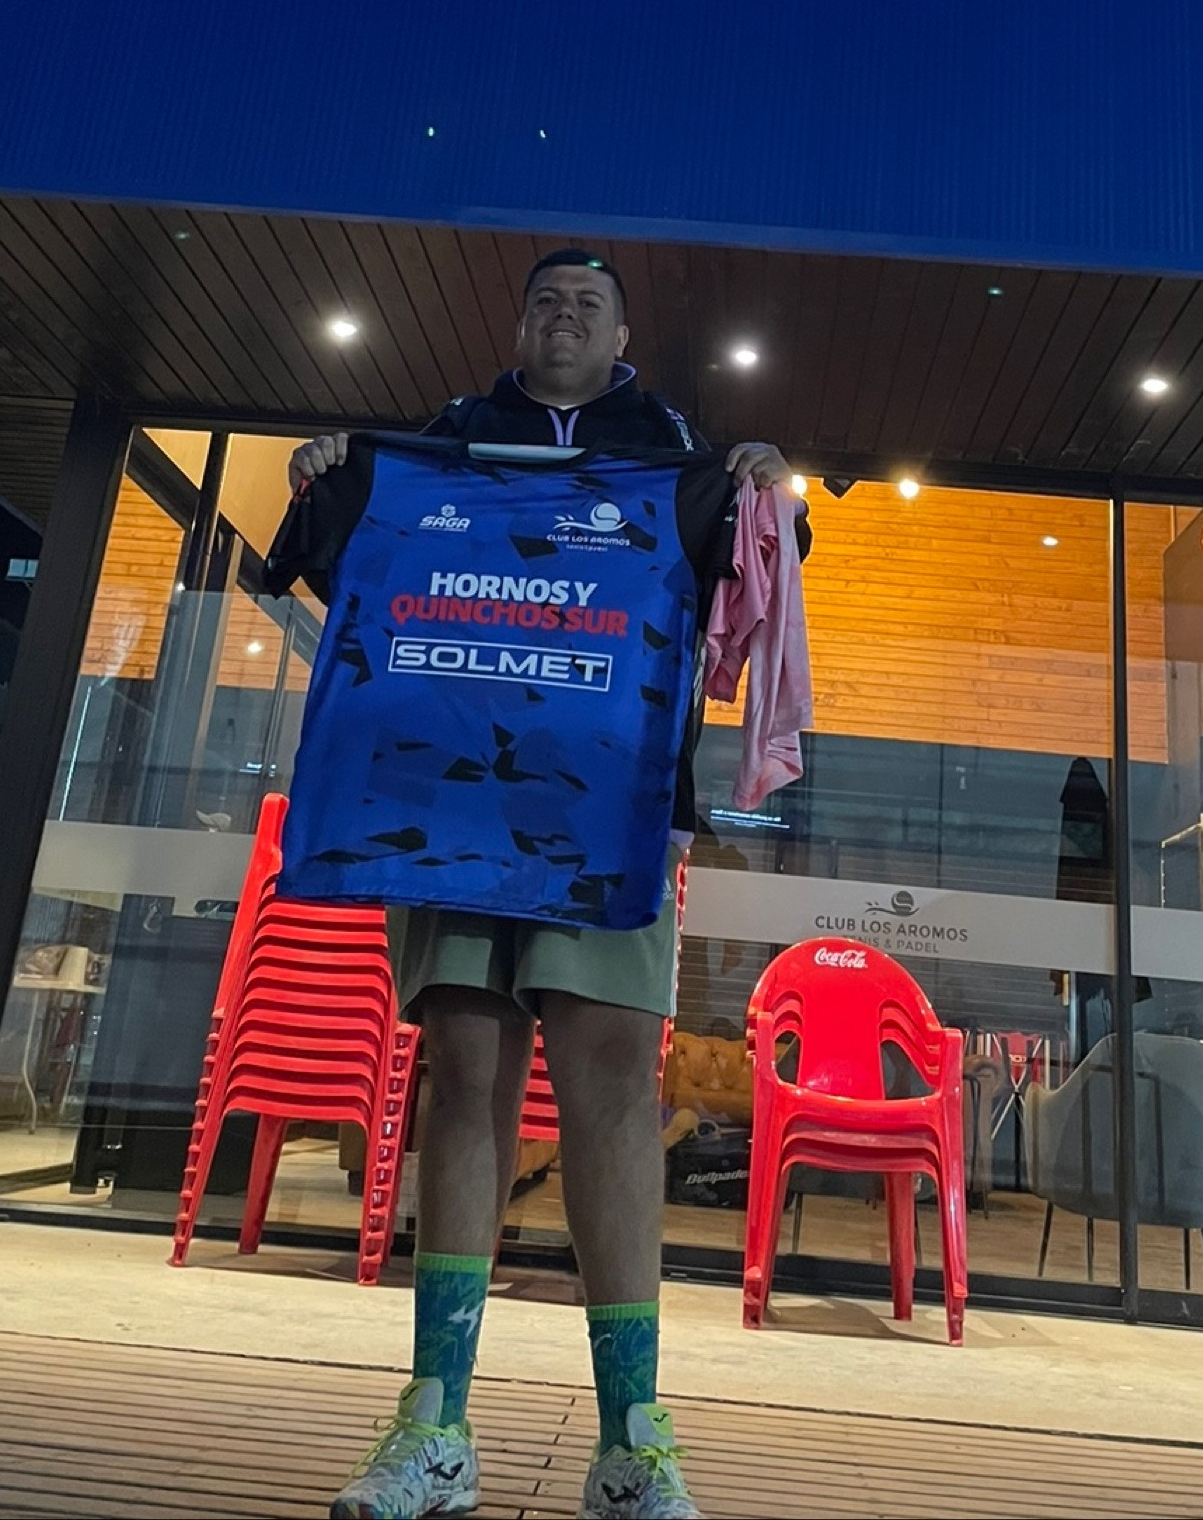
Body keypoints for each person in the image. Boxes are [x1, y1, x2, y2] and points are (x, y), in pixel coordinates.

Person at [269, 250, 799, 1520]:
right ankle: (435, 1430)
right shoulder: (448, 438)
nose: (564, 317)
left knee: (611, 1086)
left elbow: (757, 567)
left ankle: (632, 1444)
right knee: (465, 1075)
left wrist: (766, 487)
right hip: (451, 816)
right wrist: (330, 469)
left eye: (588, 304)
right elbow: (353, 570)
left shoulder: (672, 448)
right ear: (518, 325)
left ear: (622, 335)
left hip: (615, 818)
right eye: (545, 301)